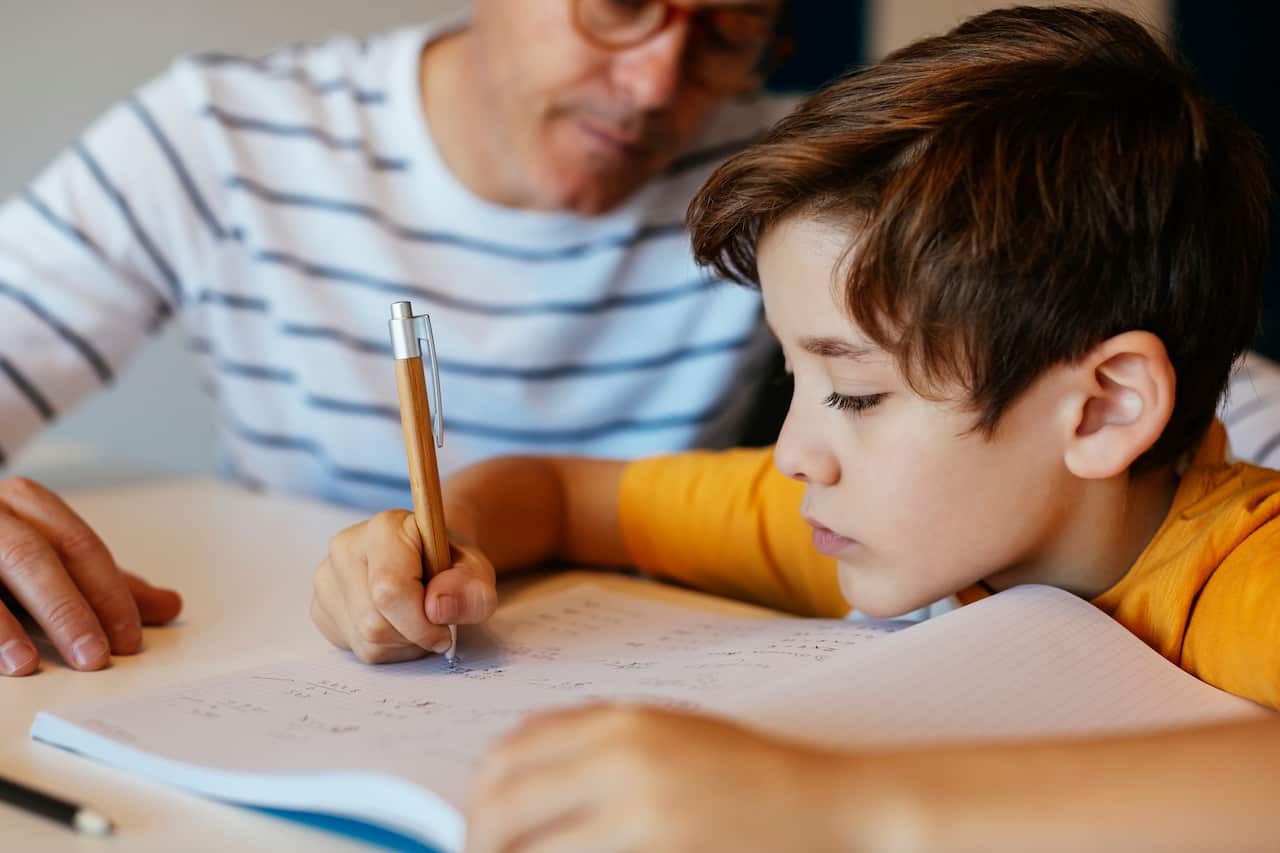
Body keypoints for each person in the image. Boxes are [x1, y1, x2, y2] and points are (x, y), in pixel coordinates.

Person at [313, 6, 1280, 849]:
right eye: (795, 375)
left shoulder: (1244, 572)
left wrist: (842, 811)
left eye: (857, 395)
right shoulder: (876, 523)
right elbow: (562, 495)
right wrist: (434, 542)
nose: (791, 453)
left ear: (1105, 406)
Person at [0, 0, 797, 676]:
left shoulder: (793, 183)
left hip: (639, 679)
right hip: (268, 666)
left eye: (728, 32)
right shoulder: (218, 136)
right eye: (621, 3)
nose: (655, 84)